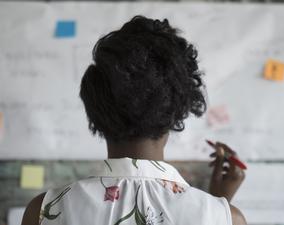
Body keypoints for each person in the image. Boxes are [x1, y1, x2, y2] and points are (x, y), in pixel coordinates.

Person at [21, 15, 246, 225]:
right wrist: (218, 206)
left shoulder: (41, 211)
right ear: (177, 110)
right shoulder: (226, 217)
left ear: (96, 109)